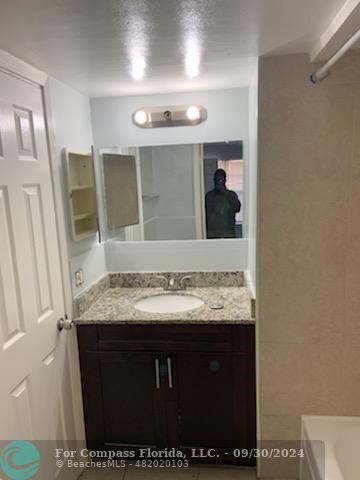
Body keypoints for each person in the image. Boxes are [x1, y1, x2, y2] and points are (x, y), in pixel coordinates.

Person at [205, 169, 241, 238]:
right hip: (212, 235)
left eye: (221, 179)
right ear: (214, 180)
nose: (219, 181)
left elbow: (237, 208)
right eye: (217, 179)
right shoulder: (209, 196)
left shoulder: (231, 195)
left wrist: (225, 193)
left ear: (225, 180)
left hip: (229, 234)